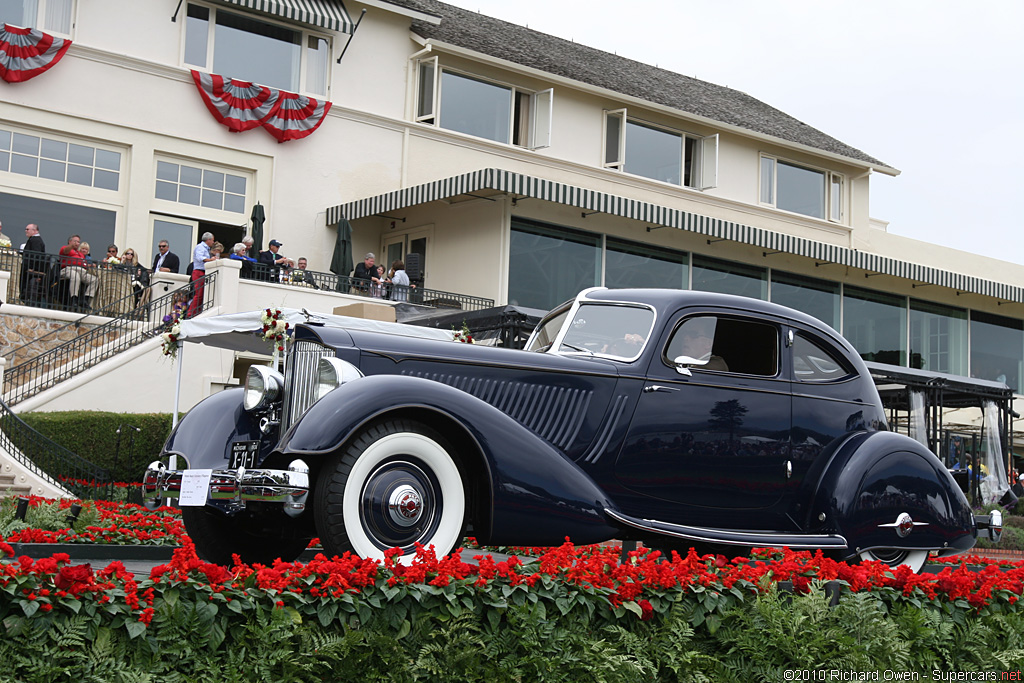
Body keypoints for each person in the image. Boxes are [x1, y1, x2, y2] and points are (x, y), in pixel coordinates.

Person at [58, 234, 98, 311]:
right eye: (75, 241)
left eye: (78, 242)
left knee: (94, 280)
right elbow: (65, 251)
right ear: (70, 241)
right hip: (69, 269)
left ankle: (85, 300)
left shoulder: (80, 254)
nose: (77, 243)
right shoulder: (65, 248)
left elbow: (84, 264)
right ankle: (74, 299)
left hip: (81, 271)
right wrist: (71, 246)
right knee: (75, 276)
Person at [187, 232, 217, 317]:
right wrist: (211, 260)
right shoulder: (200, 247)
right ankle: (190, 313)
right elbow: (200, 258)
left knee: (202, 294)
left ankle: (197, 312)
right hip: (198, 272)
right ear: (208, 240)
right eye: (212, 240)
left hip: (202, 272)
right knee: (199, 294)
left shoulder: (206, 248)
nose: (213, 242)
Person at [20, 223, 46, 305]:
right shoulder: (35, 240)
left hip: (31, 271)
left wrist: (32, 268)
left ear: (34, 230)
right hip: (30, 270)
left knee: (26, 286)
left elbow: (36, 255)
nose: (25, 231)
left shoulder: (35, 240)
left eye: (27, 229)